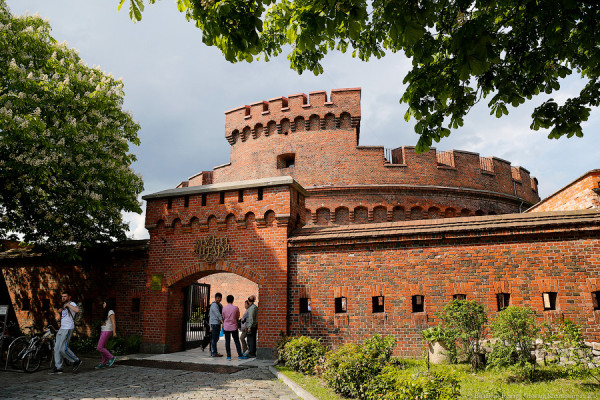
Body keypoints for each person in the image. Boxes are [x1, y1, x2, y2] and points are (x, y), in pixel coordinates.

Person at [51, 291, 82, 374]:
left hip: (68, 328)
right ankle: (58, 367)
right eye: (62, 296)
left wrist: (68, 305)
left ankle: (76, 360)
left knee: (63, 348)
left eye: (65, 296)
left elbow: (77, 310)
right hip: (62, 328)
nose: (63, 298)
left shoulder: (72, 303)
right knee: (57, 348)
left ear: (69, 297)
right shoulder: (64, 305)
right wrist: (61, 310)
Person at [221, 295, 247, 361]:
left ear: (227, 300)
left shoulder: (224, 308)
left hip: (226, 327)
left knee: (227, 341)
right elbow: (238, 316)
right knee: (236, 341)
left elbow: (223, 317)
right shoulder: (236, 308)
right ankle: (240, 355)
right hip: (234, 326)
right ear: (233, 300)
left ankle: (228, 356)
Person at [95, 298, 117, 368]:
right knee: (103, 347)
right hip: (103, 330)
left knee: (99, 347)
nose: (103, 304)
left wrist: (114, 332)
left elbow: (113, 322)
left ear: (107, 304)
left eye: (104, 303)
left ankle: (111, 357)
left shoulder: (110, 312)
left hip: (107, 331)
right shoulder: (106, 311)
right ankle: (103, 363)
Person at [209, 292, 223, 357]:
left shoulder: (219, 305)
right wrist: (222, 321)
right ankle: (214, 352)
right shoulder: (214, 305)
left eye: (220, 298)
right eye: (218, 298)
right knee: (214, 339)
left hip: (217, 324)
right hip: (214, 324)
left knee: (216, 338)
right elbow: (218, 314)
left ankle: (214, 351)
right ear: (215, 298)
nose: (219, 299)